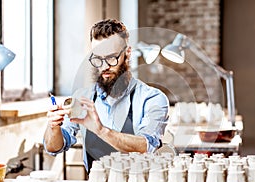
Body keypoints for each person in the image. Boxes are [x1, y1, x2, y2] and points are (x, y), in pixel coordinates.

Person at [43, 19, 169, 172]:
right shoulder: (82, 97)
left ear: (127, 53)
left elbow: (147, 145)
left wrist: (101, 130)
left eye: (111, 58)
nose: (104, 66)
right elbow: (54, 148)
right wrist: (53, 127)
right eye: (97, 58)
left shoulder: (152, 98)